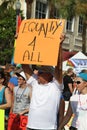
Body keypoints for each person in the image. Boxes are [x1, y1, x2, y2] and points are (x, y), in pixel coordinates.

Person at [22, 34, 66, 130]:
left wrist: (59, 46)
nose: (37, 73)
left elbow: (59, 68)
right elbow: (24, 66)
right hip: (30, 127)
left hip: (48, 128)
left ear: (49, 74)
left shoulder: (56, 86)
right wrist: (21, 43)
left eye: (41, 72)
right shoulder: (35, 83)